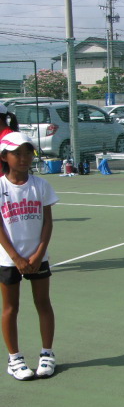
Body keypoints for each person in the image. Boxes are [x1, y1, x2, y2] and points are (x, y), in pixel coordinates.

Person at [0, 132, 59, 380]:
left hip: (38, 258)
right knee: (10, 308)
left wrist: (38, 254)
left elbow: (47, 222)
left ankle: (47, 354)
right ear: (4, 156)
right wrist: (16, 257)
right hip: (8, 260)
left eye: (28, 152)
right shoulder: (1, 187)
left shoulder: (41, 185)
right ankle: (14, 359)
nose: (24, 158)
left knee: (43, 303)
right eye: (17, 153)